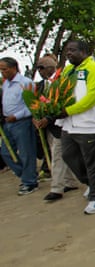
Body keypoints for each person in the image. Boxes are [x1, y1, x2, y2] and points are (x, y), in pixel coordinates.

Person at [59, 40, 95, 214]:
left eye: (72, 50)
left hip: (89, 124)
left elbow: (92, 97)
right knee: (68, 155)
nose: (69, 53)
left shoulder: (94, 69)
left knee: (94, 162)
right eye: (67, 51)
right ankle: (91, 183)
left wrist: (68, 110)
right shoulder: (68, 70)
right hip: (69, 125)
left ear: (84, 51)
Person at [33, 55, 78, 202]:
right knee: (62, 155)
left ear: (52, 68)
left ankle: (56, 188)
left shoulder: (62, 82)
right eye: (38, 68)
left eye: (42, 67)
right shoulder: (39, 86)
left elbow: (64, 104)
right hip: (47, 128)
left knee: (57, 156)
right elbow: (35, 105)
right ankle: (70, 182)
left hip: (61, 125)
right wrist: (36, 117)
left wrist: (49, 118)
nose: (39, 71)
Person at [0, 57, 38, 195]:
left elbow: (32, 105)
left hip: (22, 122)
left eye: (5, 69)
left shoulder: (26, 83)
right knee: (5, 152)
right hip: (7, 123)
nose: (2, 72)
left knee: (26, 153)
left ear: (14, 68)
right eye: (1, 70)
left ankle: (29, 182)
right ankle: (27, 175)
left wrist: (16, 116)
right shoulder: (6, 84)